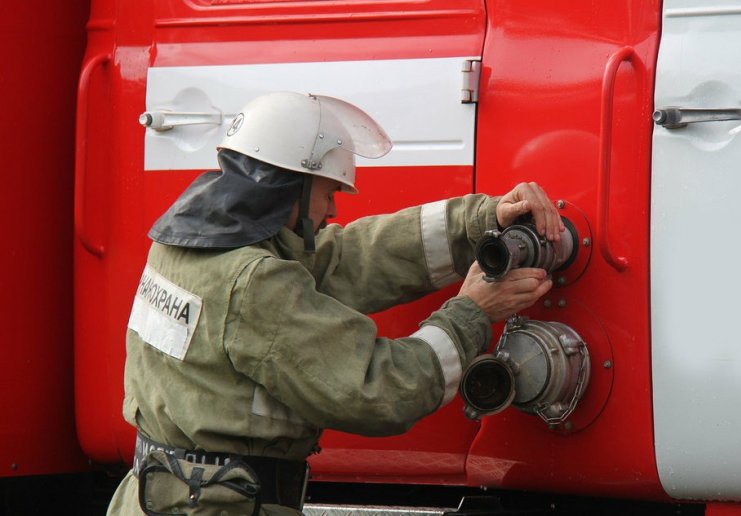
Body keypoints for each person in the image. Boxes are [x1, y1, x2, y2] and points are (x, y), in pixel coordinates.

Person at [107, 91, 563, 515]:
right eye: (328, 192)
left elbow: (348, 258)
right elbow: (380, 389)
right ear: (290, 186)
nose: (333, 211)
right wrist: (474, 312)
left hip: (156, 498)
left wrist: (480, 219)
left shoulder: (187, 244)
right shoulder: (254, 284)